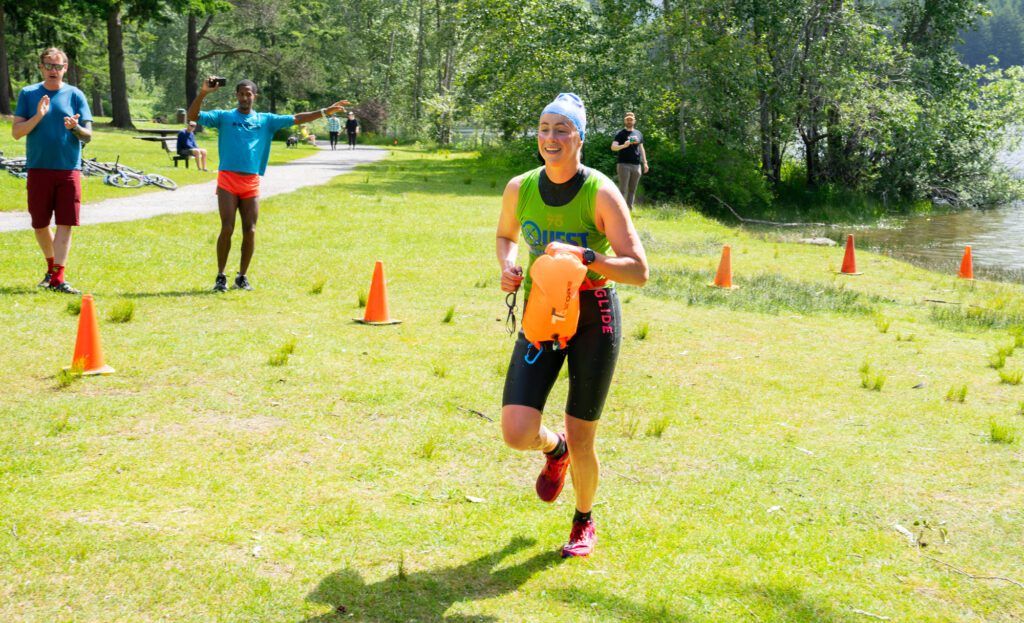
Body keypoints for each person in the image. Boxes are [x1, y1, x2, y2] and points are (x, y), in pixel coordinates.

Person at [496, 93, 648, 558]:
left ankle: (583, 518)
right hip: (542, 310)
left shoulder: (600, 191)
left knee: (585, 434)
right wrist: (508, 263)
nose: (550, 138)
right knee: (517, 430)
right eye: (544, 128)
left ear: (580, 137)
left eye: (562, 129)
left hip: (594, 313)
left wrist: (588, 257)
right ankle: (552, 449)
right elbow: (506, 235)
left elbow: (638, 269)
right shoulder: (519, 188)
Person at [188, 76, 348, 292]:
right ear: (236, 96)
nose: (245, 97)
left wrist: (325, 112)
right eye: (241, 93)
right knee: (227, 227)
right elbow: (192, 116)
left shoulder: (266, 120)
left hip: (251, 182)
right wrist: (204, 92)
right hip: (228, 180)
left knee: (250, 230)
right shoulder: (224, 117)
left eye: (249, 93)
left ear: (255, 96)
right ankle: (220, 276)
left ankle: (242, 277)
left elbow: (297, 118)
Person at [12, 47, 93, 294]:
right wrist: (38, 115)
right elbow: (17, 133)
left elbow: (88, 136)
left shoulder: (76, 95)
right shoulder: (28, 93)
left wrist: (75, 128)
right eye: (48, 66)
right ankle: (51, 269)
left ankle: (58, 277)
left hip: (69, 169)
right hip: (38, 168)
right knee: (40, 223)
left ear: (65, 68)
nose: (53, 71)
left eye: (58, 66)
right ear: (41, 67)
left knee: (66, 222)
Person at [610, 112, 649, 211]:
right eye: (627, 119)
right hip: (623, 164)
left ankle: (629, 209)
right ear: (625, 121)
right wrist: (624, 145)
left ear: (634, 121)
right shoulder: (620, 133)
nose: (629, 121)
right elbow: (613, 147)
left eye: (631, 119)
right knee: (623, 189)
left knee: (632, 189)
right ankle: (620, 209)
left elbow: (641, 149)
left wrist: (645, 163)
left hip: (636, 165)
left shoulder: (638, 133)